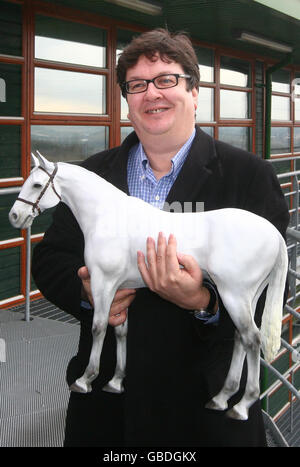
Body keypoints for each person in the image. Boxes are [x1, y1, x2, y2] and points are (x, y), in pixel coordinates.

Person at [31, 28, 289, 447]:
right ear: (127, 100)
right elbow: (51, 258)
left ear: (194, 91)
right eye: (137, 85)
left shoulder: (249, 177)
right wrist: (86, 291)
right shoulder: (91, 177)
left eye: (166, 79)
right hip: (109, 416)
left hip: (206, 414)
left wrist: (205, 302)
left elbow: (278, 281)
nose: (152, 94)